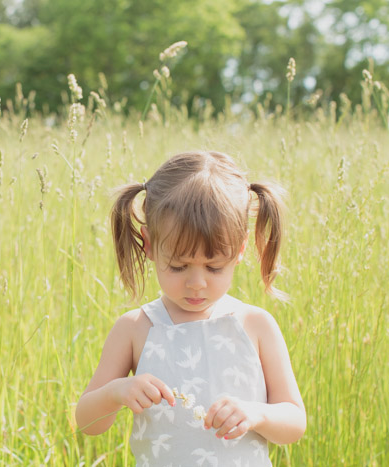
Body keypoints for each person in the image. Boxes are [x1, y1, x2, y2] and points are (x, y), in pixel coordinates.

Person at [75, 151, 306, 466]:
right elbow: (88, 422)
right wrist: (118, 391)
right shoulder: (135, 329)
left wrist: (256, 413)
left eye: (213, 268)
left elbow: (293, 422)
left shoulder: (256, 325)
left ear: (239, 251)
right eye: (179, 266)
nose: (196, 283)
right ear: (150, 245)